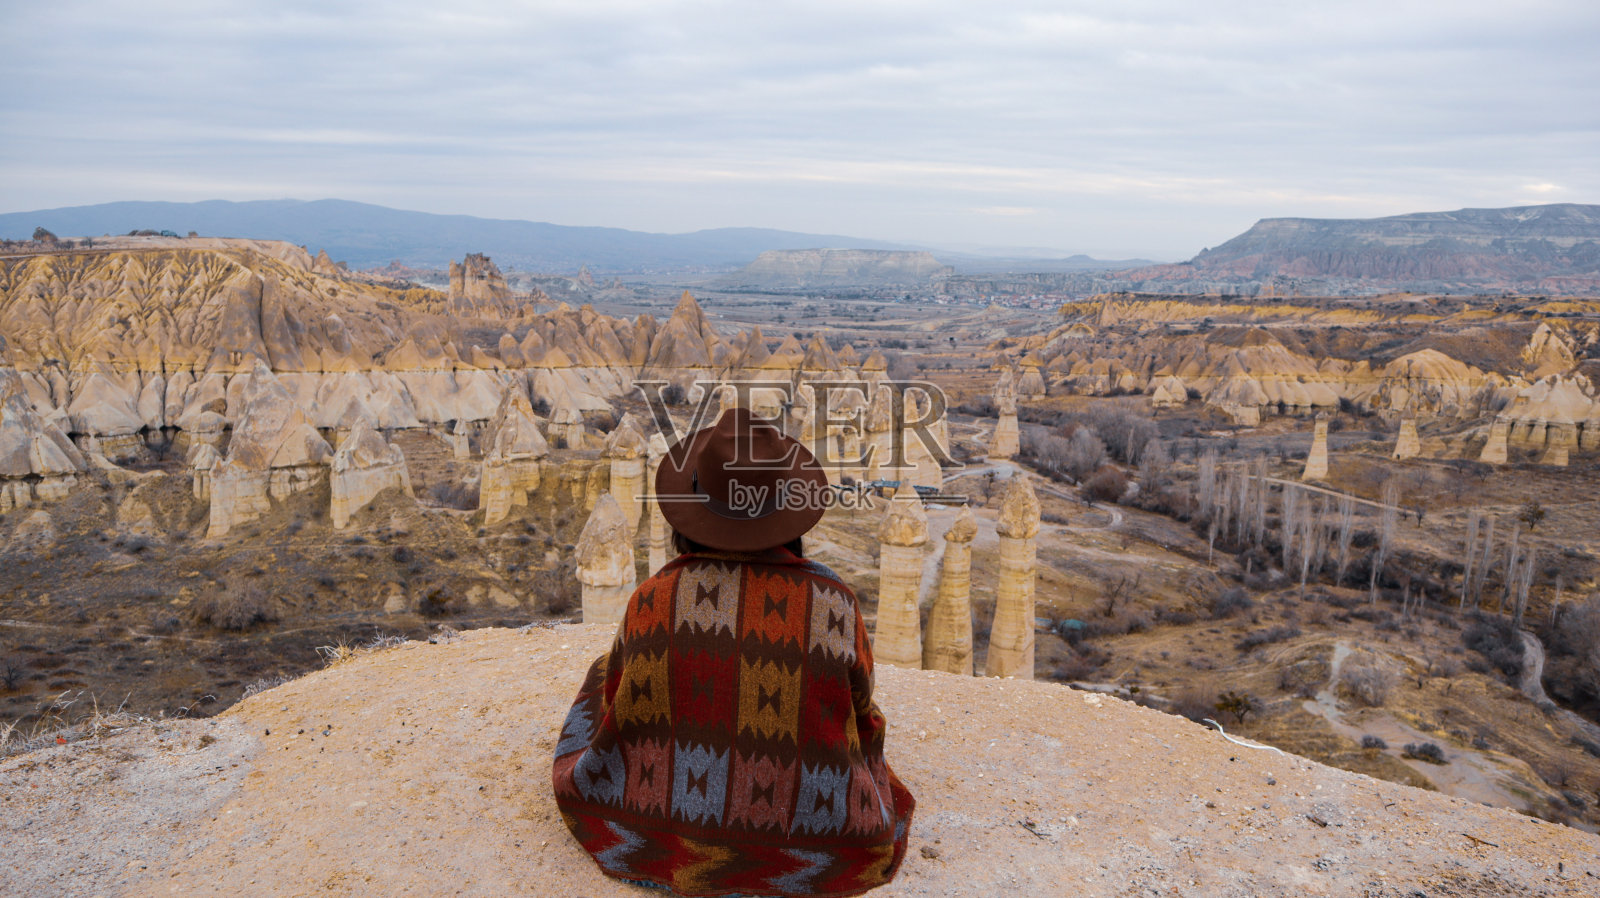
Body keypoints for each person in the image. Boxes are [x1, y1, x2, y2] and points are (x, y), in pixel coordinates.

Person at [553, 406, 915, 897]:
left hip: (655, 828)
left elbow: (622, 699)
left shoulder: (654, 599)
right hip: (826, 841)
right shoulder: (833, 605)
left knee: (602, 676)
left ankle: (676, 825)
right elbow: (860, 707)